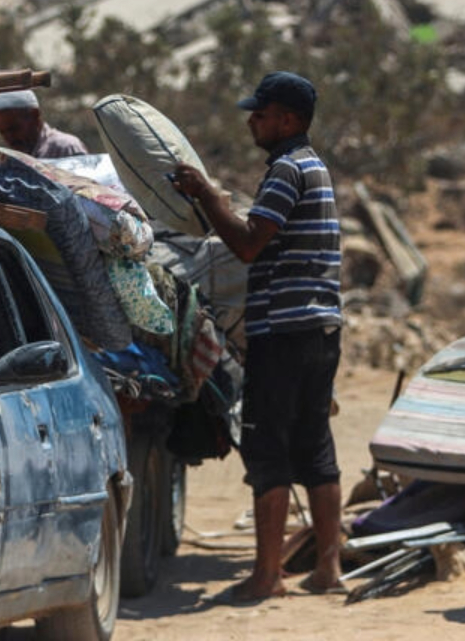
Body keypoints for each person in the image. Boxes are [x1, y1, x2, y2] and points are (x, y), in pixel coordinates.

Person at [172, 71, 344, 602]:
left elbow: (248, 245)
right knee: (314, 446)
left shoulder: (287, 170)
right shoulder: (313, 166)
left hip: (283, 331)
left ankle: (268, 576)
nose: (252, 121)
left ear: (288, 121)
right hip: (320, 328)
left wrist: (207, 195)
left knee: (267, 447)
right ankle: (328, 568)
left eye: (261, 114)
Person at [0, 89, 88, 158]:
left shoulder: (66, 148)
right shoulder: (9, 160)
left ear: (35, 115)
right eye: (3, 132)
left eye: (14, 129)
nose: (9, 138)